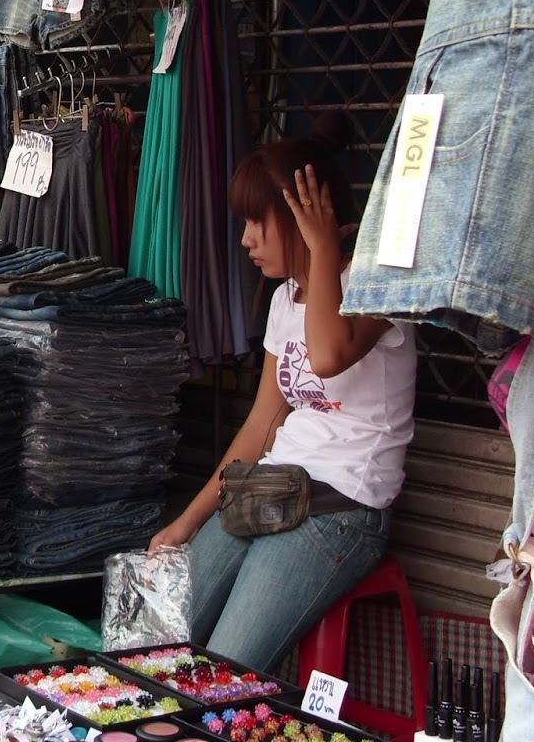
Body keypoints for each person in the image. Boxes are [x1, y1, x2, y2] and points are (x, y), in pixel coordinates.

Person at [148, 116, 417, 670]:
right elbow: (262, 425)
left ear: (302, 215)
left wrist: (323, 250)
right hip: (271, 490)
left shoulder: (376, 283)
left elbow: (329, 355)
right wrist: (187, 523)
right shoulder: (283, 299)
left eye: (256, 221)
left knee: (221, 668)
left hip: (342, 509)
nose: (246, 239)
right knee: (155, 640)